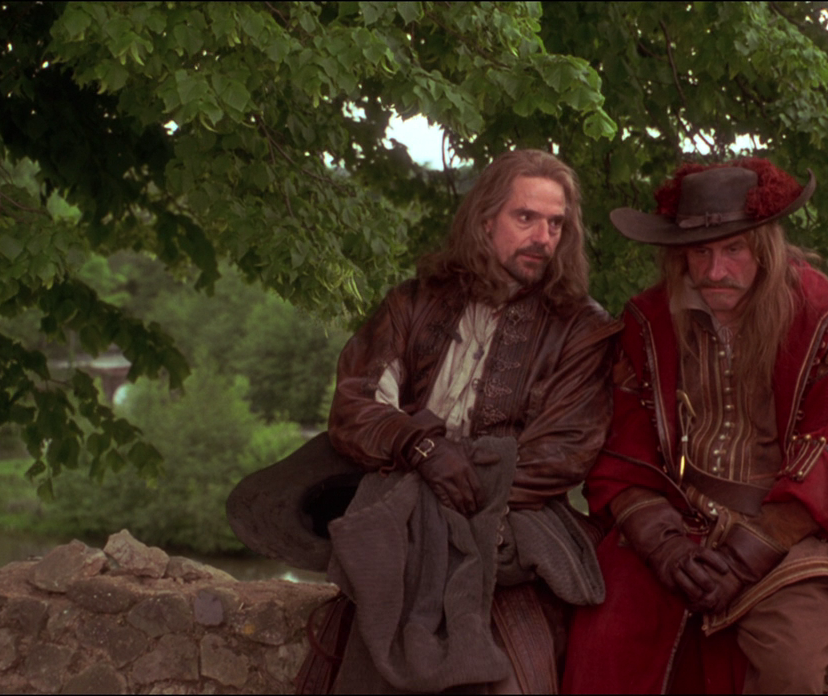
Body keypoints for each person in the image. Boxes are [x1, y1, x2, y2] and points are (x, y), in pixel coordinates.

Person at [229, 149, 618, 694]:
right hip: (400, 504)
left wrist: (462, 492)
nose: (543, 238)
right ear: (486, 220)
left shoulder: (582, 329)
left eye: (556, 224)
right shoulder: (413, 303)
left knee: (516, 673)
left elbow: (563, 451)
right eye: (526, 217)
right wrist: (422, 449)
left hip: (512, 519)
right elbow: (357, 406)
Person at [561, 158, 828, 694]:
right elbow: (624, 454)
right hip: (676, 522)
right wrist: (664, 546)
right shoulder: (647, 323)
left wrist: (740, 560)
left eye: (733, 249)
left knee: (792, 669)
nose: (715, 271)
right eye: (700, 252)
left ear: (764, 247)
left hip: (794, 535)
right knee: (601, 648)